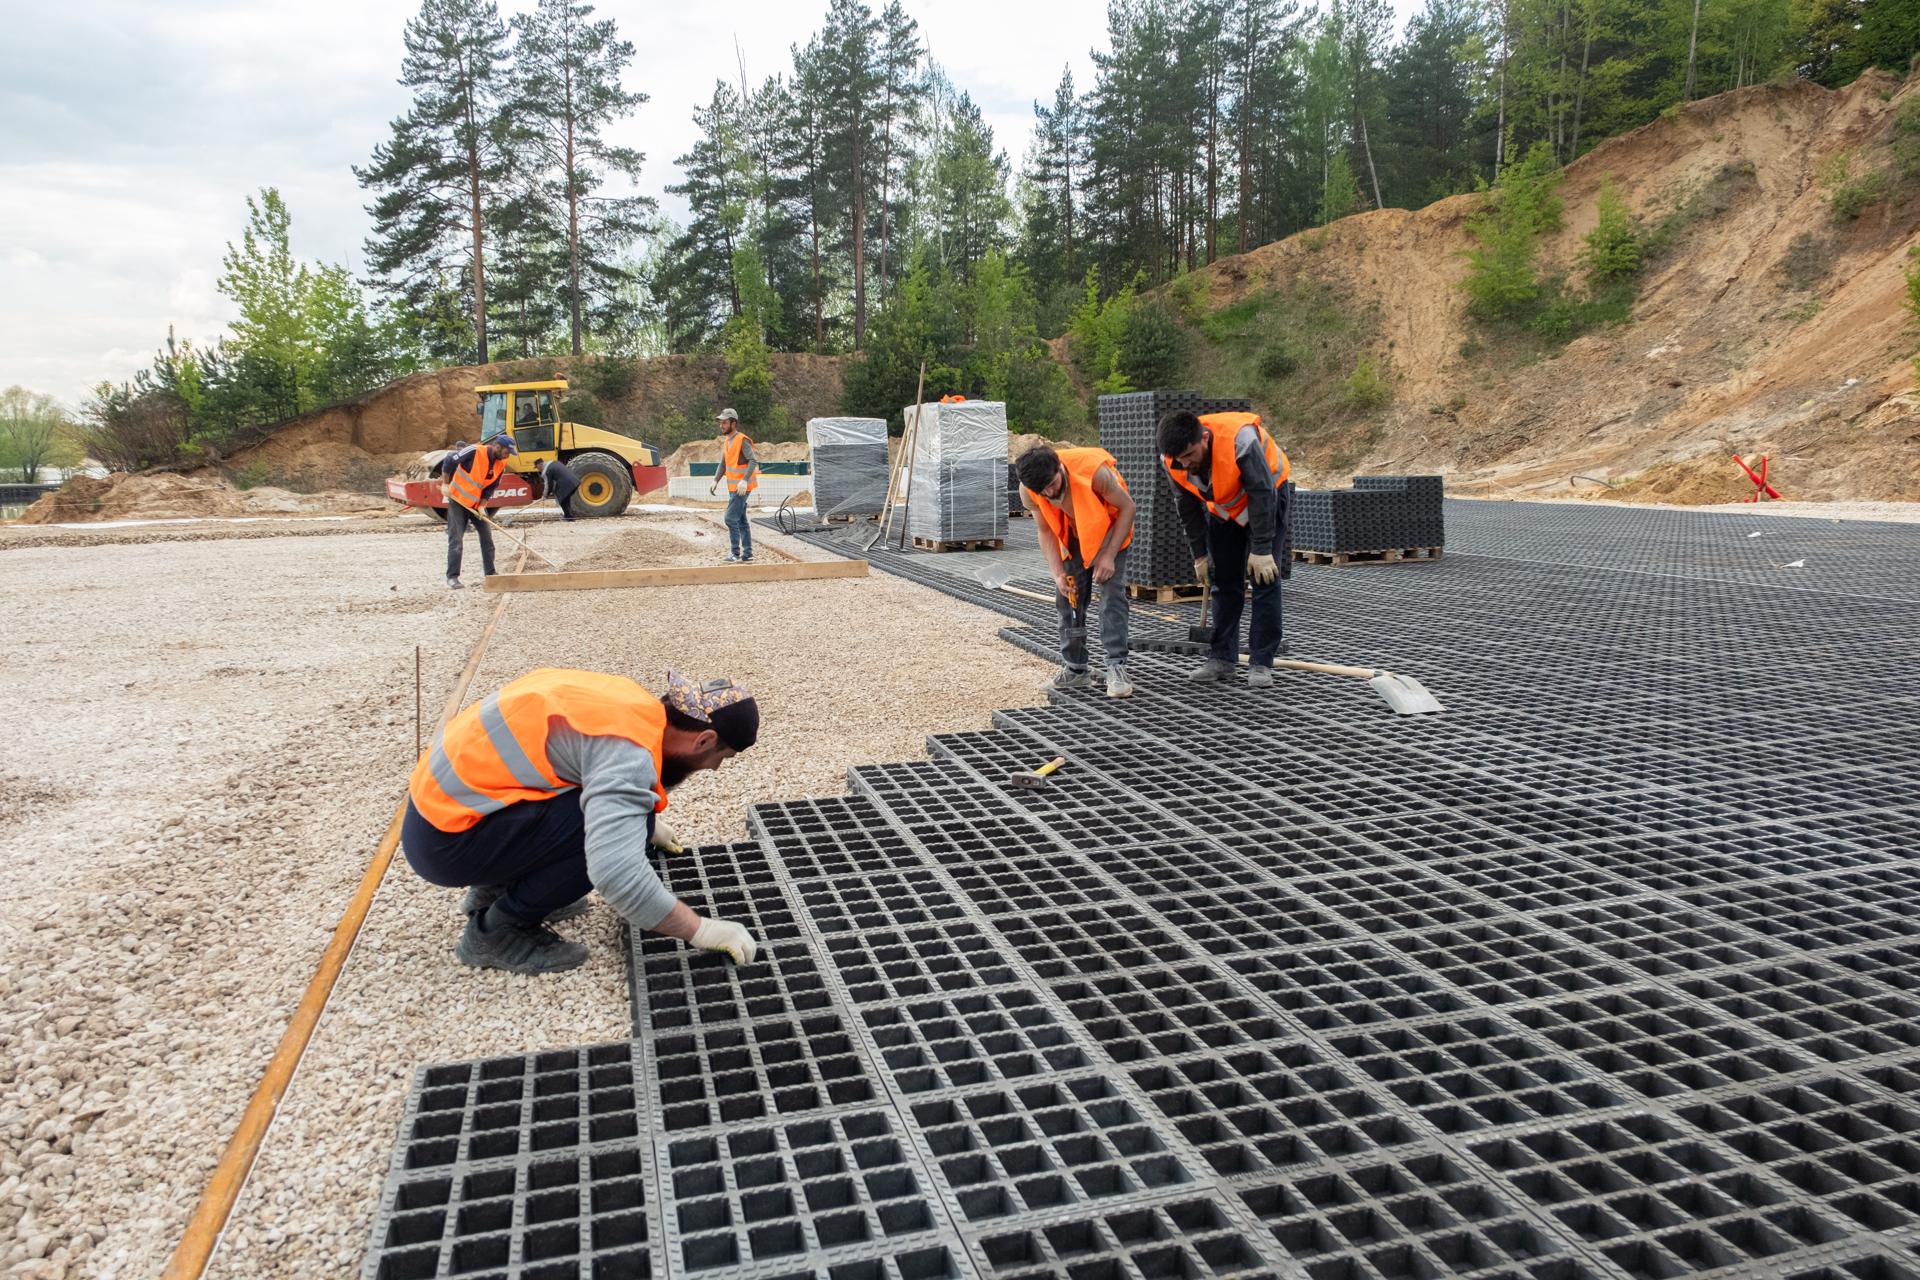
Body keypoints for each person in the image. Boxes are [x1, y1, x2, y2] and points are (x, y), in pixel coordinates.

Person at [402, 667, 763, 975]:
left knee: (622, 823)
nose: (714, 769)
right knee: (605, 839)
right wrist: (700, 930)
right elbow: (616, 872)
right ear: (704, 740)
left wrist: (648, 825)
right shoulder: (628, 755)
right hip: (448, 843)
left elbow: (582, 770)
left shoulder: (628, 702)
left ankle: (497, 887)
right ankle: (497, 932)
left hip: (444, 812)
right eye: (723, 757)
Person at [1157, 409, 1291, 687]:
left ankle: (1261, 662)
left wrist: (1262, 547)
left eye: (1190, 455)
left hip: (1267, 498)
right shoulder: (1172, 460)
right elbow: (1187, 506)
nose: (1186, 463)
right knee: (1224, 581)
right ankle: (1222, 657)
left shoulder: (1241, 442)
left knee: (1264, 579)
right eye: (1179, 459)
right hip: (1224, 509)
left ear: (1204, 438)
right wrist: (1200, 555)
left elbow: (1262, 491)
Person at [1013, 444, 1137, 699]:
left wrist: (1109, 555)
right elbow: (1045, 530)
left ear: (1059, 467)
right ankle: (1076, 669)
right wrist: (1057, 573)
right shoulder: (1029, 490)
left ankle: (1117, 667)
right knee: (1068, 597)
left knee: (1111, 595)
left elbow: (1128, 509)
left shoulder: (1095, 474)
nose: (1049, 492)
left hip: (1111, 531)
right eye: (1042, 490)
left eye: (1052, 483)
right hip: (1075, 533)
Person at [442, 434, 517, 589]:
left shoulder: (501, 463)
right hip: (458, 501)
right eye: (506, 452)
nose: (507, 455)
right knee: (456, 540)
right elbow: (450, 460)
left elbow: (492, 486)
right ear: (497, 447)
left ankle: (490, 573)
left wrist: (483, 505)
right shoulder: (475, 451)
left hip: (476, 505)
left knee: (487, 538)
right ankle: (452, 577)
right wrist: (445, 484)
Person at [707, 408, 758, 563]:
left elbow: (753, 461)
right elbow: (724, 463)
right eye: (720, 422)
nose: (721, 425)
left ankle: (735, 553)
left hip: (741, 488)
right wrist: (716, 479)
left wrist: (744, 480)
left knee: (730, 518)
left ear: (733, 423)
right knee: (741, 520)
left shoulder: (742, 440)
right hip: (733, 487)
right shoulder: (728, 440)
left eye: (724, 422)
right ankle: (748, 554)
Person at [543, 457, 582, 521]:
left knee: (562, 499)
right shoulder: (556, 463)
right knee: (566, 499)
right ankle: (569, 515)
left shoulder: (548, 470)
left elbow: (549, 484)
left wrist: (545, 495)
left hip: (567, 483)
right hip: (575, 482)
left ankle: (569, 517)